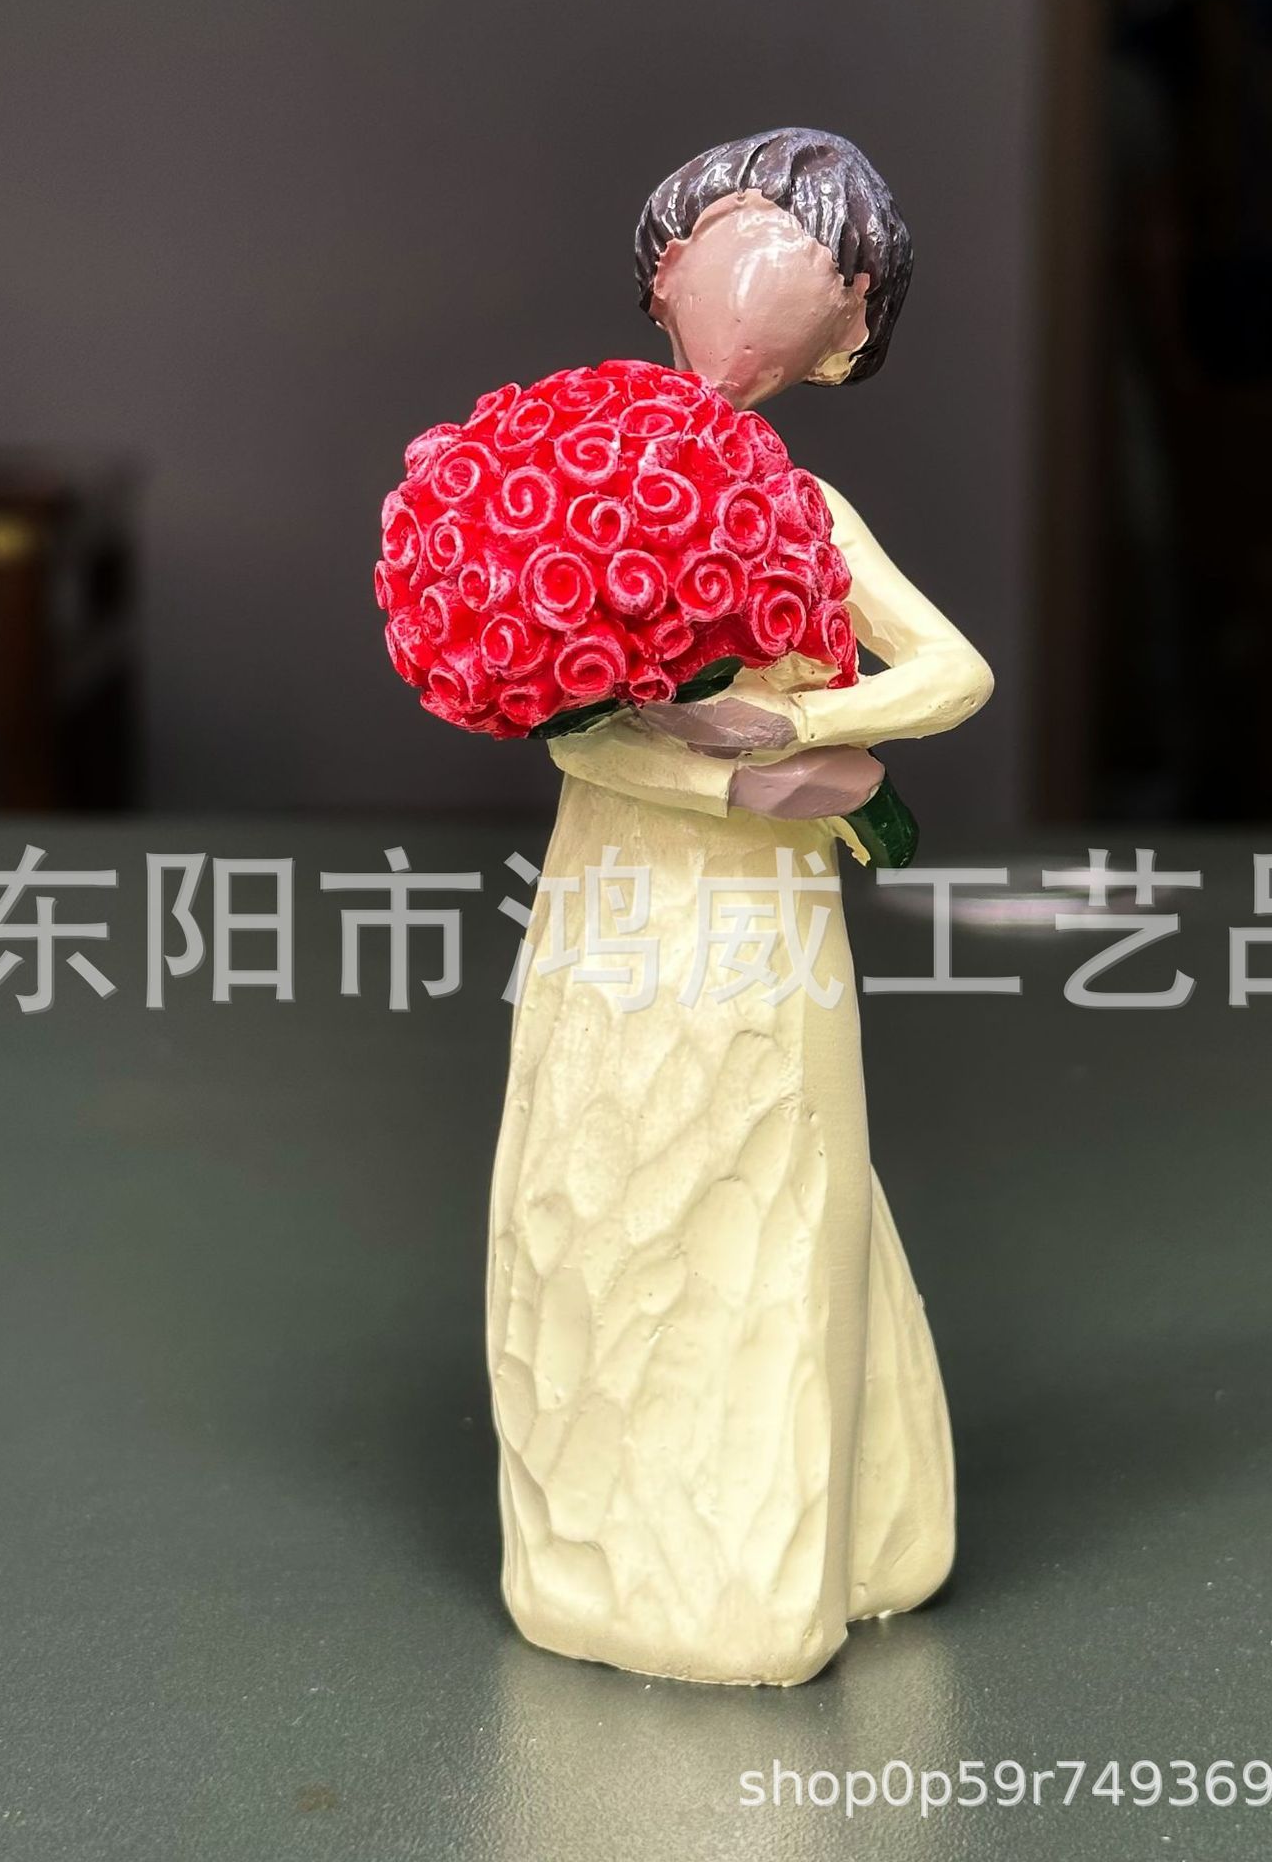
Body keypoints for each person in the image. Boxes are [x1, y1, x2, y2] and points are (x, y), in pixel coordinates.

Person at [486, 128, 993, 1685]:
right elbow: (568, 724)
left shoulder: (801, 511)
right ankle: (610, 1547)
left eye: (815, 269)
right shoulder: (579, 479)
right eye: (723, 236)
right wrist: (736, 789)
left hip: (753, 920)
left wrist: (799, 725)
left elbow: (953, 673)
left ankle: (764, 1564)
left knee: (765, 1166)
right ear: (661, 273)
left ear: (848, 334)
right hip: (618, 893)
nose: (752, 279)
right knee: (599, 1178)